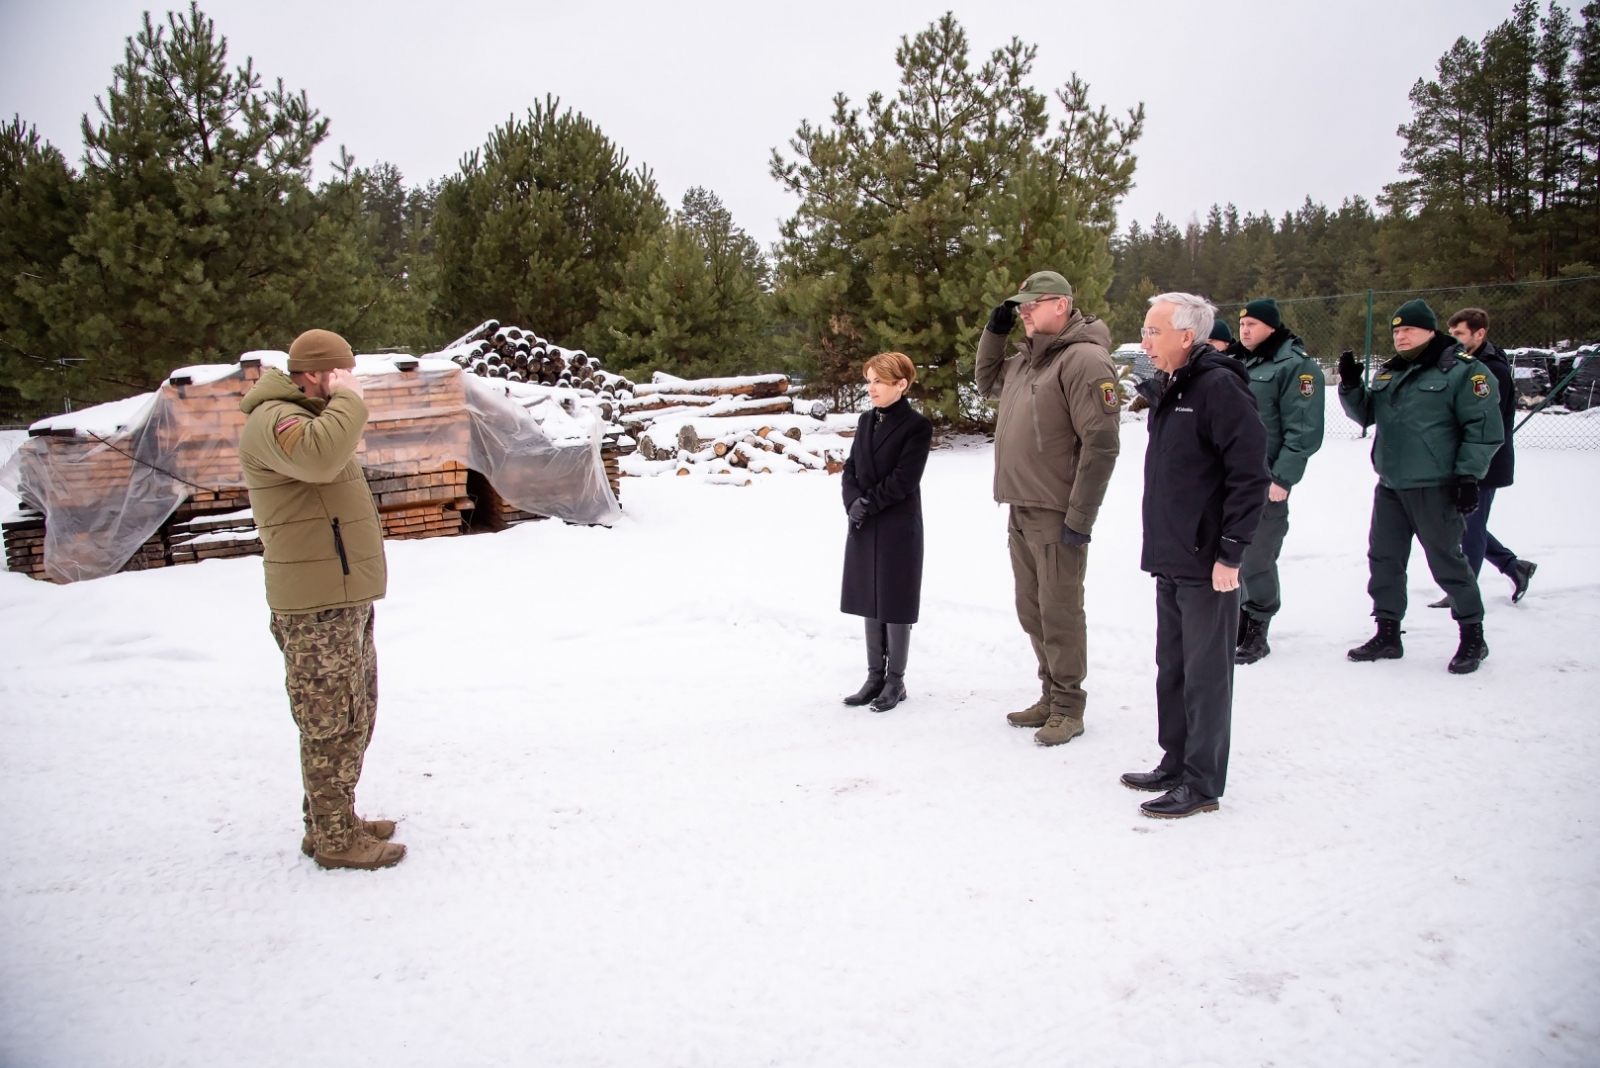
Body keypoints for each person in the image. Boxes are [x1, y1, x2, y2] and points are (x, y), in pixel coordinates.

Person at [239, 329, 405, 871]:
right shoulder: (274, 421)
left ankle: (333, 822)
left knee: (355, 714)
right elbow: (318, 459)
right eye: (340, 373)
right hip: (315, 606)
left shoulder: (307, 418)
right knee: (330, 722)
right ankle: (335, 842)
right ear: (314, 374)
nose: (348, 383)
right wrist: (350, 398)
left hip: (339, 594)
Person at [1120, 293, 1269, 819]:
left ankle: (1202, 783)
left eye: (1153, 332)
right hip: (1172, 554)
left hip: (1209, 561)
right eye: (1144, 331)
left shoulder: (1219, 387)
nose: (1145, 343)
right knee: (1173, 667)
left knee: (1206, 675)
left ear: (1187, 336)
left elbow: (1250, 475)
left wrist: (1231, 554)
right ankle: (1175, 759)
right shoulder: (1174, 384)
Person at [974, 270, 1121, 746]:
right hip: (1022, 506)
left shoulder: (1083, 361)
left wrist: (1081, 518)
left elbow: (1101, 445)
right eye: (1019, 306)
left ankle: (1068, 706)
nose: (1023, 312)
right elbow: (986, 382)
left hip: (1058, 511)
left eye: (1031, 304)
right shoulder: (1027, 361)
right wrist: (994, 334)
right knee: (1032, 610)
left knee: (1059, 612)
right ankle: (1049, 693)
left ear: (1060, 304)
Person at [1337, 300, 1504, 674]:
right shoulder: (1390, 372)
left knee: (1447, 561)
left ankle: (1472, 637)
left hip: (1436, 486)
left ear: (1430, 331)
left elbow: (1483, 431)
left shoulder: (1463, 373)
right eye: (1396, 332)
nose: (1401, 337)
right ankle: (1388, 633)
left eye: (1408, 330)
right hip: (1392, 485)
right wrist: (1350, 386)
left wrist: (1466, 477)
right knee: (1384, 560)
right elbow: (1366, 415)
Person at [1226, 298, 1325, 664]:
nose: (1245, 330)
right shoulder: (1235, 362)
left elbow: (1303, 431)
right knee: (1228, 549)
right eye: (1242, 324)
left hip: (1265, 478)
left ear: (1271, 327)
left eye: (1253, 324)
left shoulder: (1295, 368)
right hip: (1228, 476)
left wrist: (1282, 477)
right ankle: (1238, 618)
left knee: (1258, 553)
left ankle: (1258, 625)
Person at [840, 352, 934, 713]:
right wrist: (852, 502)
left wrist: (869, 503)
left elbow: (905, 479)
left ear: (901, 384)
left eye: (879, 380)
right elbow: (850, 467)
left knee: (895, 599)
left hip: (896, 523)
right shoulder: (865, 421)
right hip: (865, 521)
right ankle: (874, 675)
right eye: (869, 380)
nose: (871, 387)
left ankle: (896, 679)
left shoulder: (916, 427)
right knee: (869, 595)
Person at [1425, 308, 1536, 606]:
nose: (1455, 340)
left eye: (1460, 334)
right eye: (1453, 334)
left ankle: (1463, 591)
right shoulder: (1466, 363)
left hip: (1485, 462)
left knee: (1469, 527)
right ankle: (1514, 567)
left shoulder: (1492, 370)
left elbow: (1483, 423)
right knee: (1466, 523)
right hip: (1464, 460)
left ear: (1480, 333)